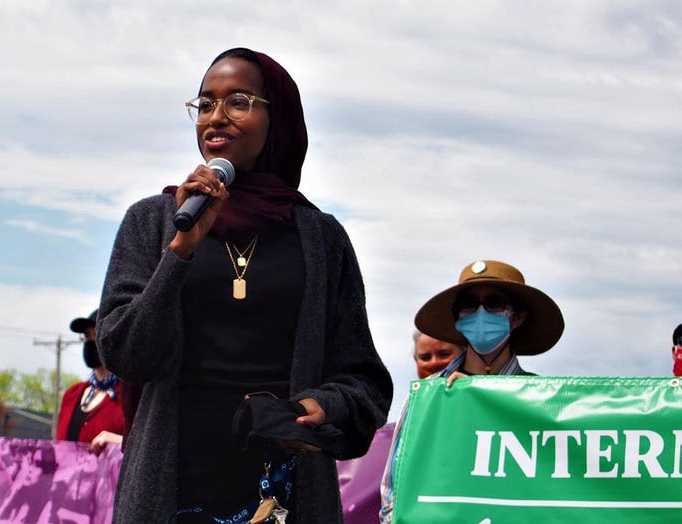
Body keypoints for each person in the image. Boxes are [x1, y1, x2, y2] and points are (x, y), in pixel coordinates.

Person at [96, 47, 393, 523]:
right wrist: (180, 251)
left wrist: (323, 405)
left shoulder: (321, 238)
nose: (216, 117)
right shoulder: (155, 221)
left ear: (280, 118)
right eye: (205, 104)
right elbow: (126, 355)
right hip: (172, 484)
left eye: (238, 102)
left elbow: (365, 382)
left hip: (284, 488)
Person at [380, 259, 565, 522]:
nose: (480, 312)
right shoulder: (428, 398)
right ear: (457, 318)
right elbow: (393, 496)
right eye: (469, 305)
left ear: (518, 317)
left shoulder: (540, 400)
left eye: (493, 303)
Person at [56, 309, 126, 454]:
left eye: (97, 335)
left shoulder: (131, 395)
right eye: (87, 335)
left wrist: (122, 442)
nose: (91, 341)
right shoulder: (72, 394)